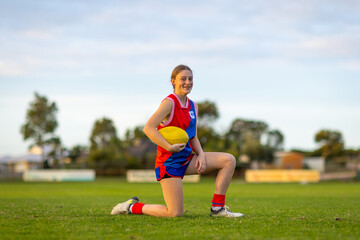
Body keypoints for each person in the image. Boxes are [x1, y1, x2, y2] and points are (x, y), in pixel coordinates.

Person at [111, 64, 243, 218]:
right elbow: (148, 128)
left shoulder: (194, 106)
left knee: (228, 160)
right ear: (173, 81)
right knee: (174, 213)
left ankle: (218, 209)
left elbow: (192, 135)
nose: (188, 82)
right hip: (169, 163)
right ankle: (131, 206)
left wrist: (200, 154)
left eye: (190, 79)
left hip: (187, 159)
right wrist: (169, 146)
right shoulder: (169, 103)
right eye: (183, 79)